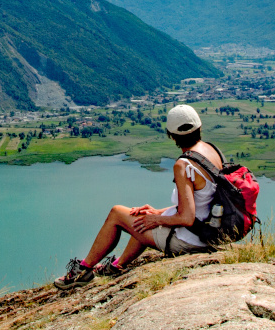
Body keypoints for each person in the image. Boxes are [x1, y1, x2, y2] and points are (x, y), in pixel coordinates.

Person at [53, 104, 223, 290]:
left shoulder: (184, 164)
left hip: (189, 240)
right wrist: (157, 213)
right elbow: (201, 204)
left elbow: (187, 218)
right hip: (208, 233)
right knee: (141, 219)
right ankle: (117, 266)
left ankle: (83, 270)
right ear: (199, 127)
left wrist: (156, 219)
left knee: (117, 213)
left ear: (171, 135)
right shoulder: (211, 151)